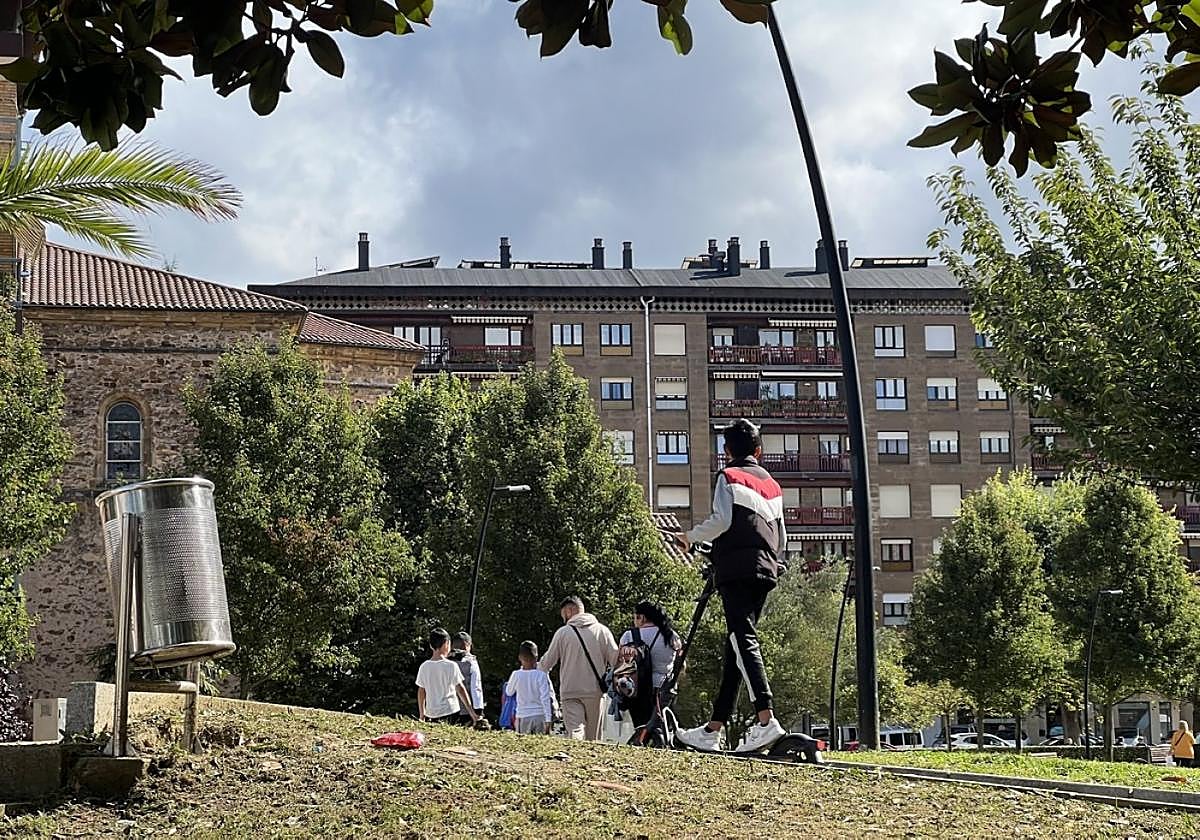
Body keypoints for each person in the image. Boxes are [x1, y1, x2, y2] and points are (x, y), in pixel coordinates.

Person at [674, 418, 788, 754]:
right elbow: (781, 536)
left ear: (726, 451)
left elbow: (722, 521)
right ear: (759, 451)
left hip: (736, 570)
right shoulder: (773, 486)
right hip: (766, 569)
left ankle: (766, 720)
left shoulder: (728, 476)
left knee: (742, 639)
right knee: (736, 647)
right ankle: (714, 728)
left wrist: (690, 537)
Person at [540, 595, 617, 741]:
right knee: (593, 737)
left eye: (563, 615)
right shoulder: (603, 631)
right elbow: (615, 660)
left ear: (569, 611)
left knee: (575, 730)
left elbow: (547, 663)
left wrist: (534, 667)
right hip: (595, 692)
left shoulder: (563, 633)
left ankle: (575, 749)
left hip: (570, 692)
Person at [617, 601, 682, 728]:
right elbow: (680, 659)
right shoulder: (671, 636)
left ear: (642, 617)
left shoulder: (629, 635)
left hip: (638, 689)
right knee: (662, 726)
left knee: (641, 727)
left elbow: (619, 662)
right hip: (664, 688)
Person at [415, 627, 480, 726]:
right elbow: (460, 689)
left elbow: (421, 691)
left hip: (431, 713)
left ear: (431, 646)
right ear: (447, 644)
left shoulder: (424, 666)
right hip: (450, 711)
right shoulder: (451, 665)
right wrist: (472, 713)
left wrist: (422, 714)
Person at [506, 640, 557, 734]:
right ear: (536, 657)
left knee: (523, 742)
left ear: (519, 657)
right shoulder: (541, 675)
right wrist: (548, 719)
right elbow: (545, 698)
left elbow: (509, 692)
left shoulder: (516, 675)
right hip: (540, 715)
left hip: (523, 715)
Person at [451, 631, 486, 725]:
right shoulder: (471, 662)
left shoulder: (447, 661)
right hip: (467, 711)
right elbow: (476, 687)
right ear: (468, 645)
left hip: (449, 709)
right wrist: (479, 710)